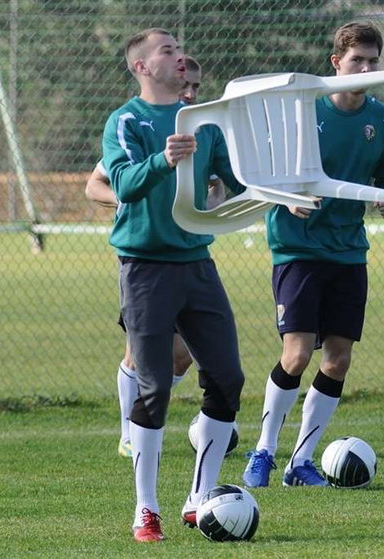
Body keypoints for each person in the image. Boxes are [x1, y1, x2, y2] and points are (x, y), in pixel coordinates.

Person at [241, 21, 384, 488]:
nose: (366, 68)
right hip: (297, 248)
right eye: (358, 60)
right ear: (336, 63)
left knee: (337, 359)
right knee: (295, 354)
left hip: (349, 251)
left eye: (373, 61)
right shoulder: (302, 112)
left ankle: (301, 461)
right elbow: (259, 176)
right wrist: (284, 196)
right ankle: (263, 451)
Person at [101, 28, 245, 541]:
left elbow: (239, 178)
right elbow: (120, 184)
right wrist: (163, 159)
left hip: (197, 263)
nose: (179, 55)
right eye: (166, 50)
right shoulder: (126, 120)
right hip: (144, 267)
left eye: (180, 47)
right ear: (141, 66)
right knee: (155, 386)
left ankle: (198, 497)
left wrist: (285, 193)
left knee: (227, 378)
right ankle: (146, 509)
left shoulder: (205, 122)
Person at [85, 54, 224, 460]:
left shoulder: (203, 129)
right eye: (188, 85)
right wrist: (131, 204)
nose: (191, 93)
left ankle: (148, 412)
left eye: (198, 88)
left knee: (182, 355)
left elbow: (218, 187)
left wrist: (212, 204)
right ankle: (130, 430)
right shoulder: (140, 126)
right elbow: (95, 186)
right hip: (145, 256)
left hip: (189, 255)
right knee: (140, 353)